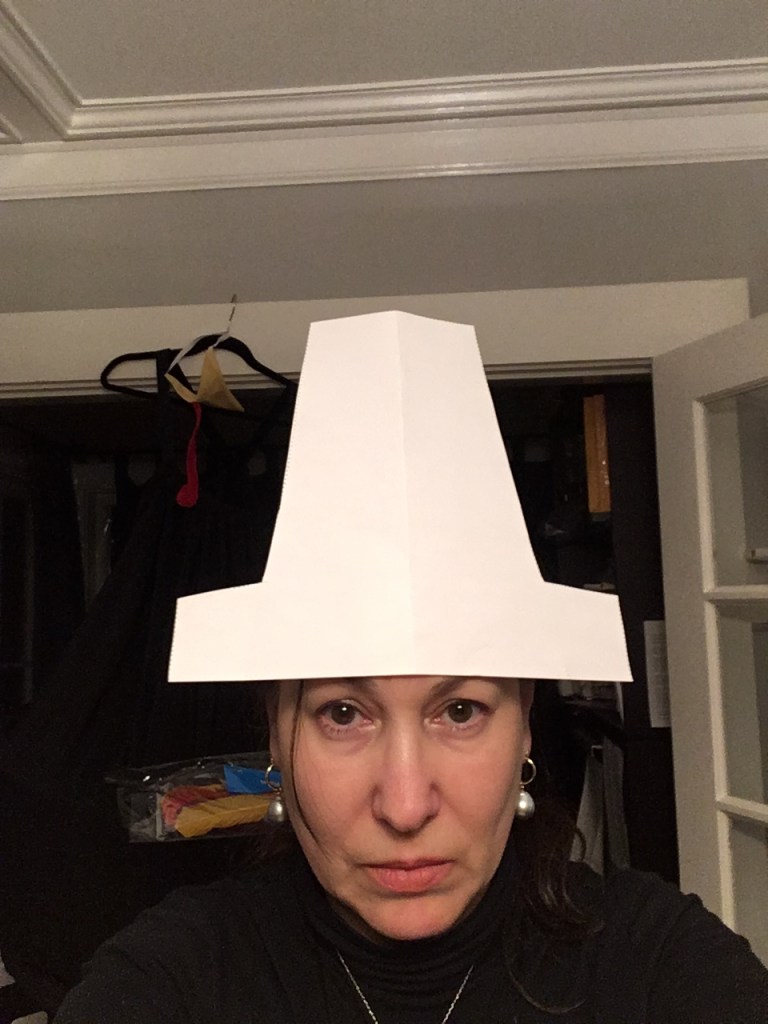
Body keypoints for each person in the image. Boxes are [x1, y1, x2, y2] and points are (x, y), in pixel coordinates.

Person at [55, 312, 768, 1023]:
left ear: (524, 726)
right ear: (274, 731)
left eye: (460, 711)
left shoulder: (659, 964)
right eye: (342, 713)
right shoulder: (172, 978)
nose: (404, 807)